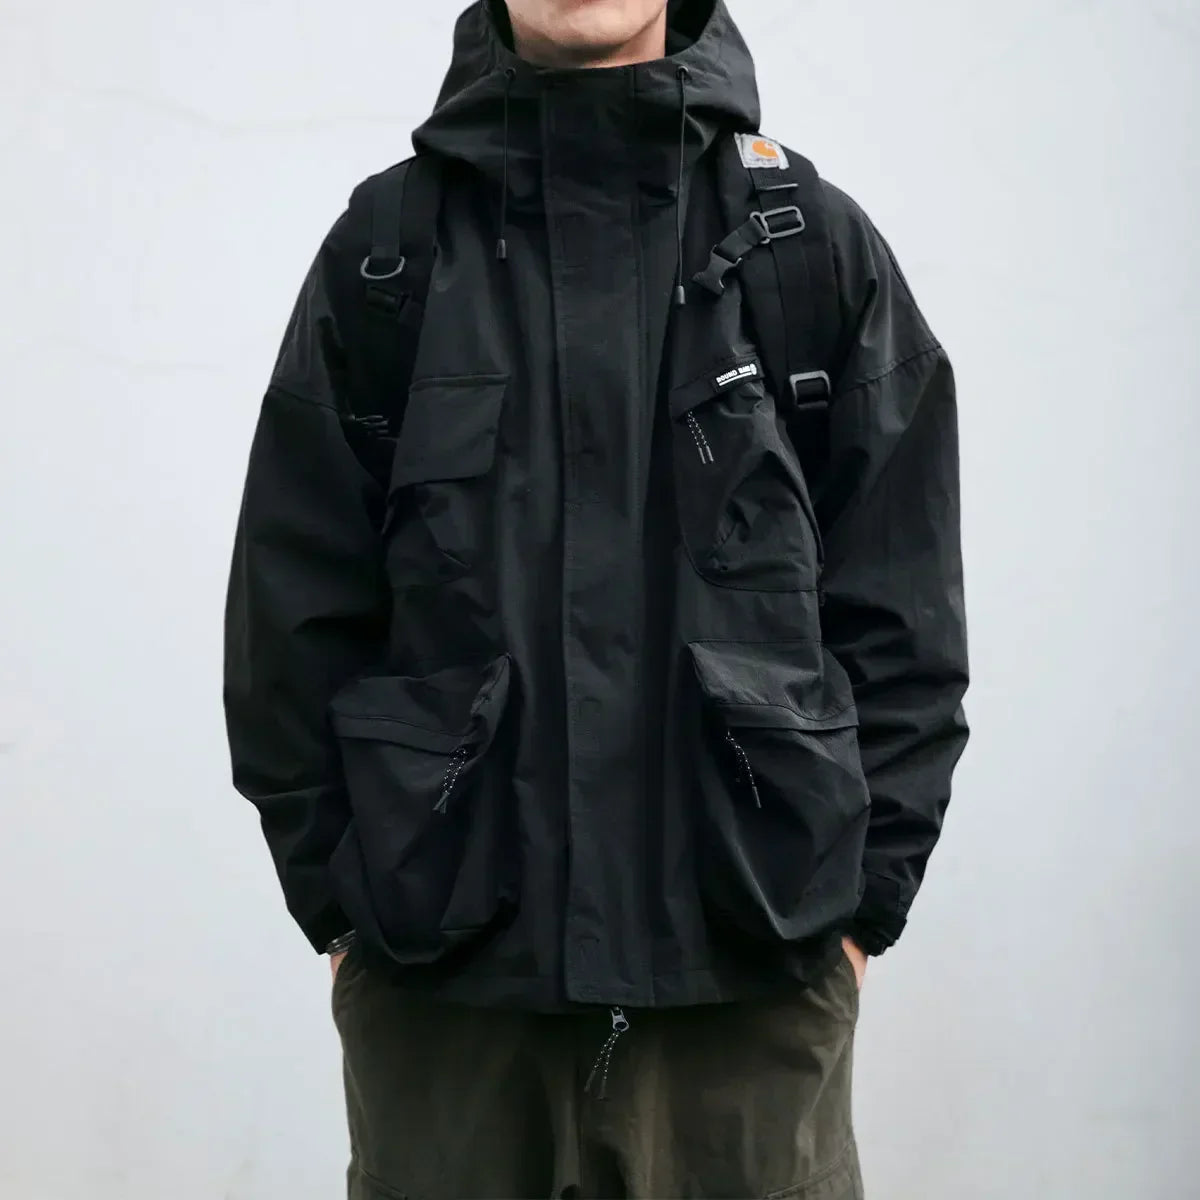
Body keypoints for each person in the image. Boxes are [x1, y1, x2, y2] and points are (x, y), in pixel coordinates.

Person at [223, 0, 969, 1196]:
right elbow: (292, 612)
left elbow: (905, 618)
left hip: (748, 1002)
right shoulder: (388, 257)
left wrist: (857, 912)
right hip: (450, 1012)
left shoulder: (807, 251)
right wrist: (344, 911)